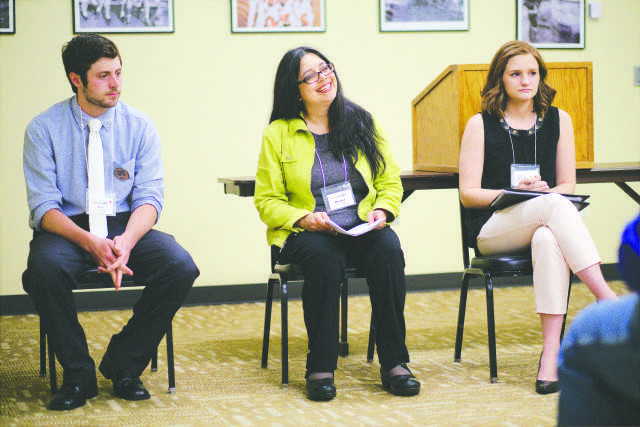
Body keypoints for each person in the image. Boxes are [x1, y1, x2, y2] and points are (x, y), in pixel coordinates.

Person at [22, 34, 199, 411]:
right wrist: (89, 241)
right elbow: (43, 206)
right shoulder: (43, 128)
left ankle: (124, 364)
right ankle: (77, 375)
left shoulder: (140, 126)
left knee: (180, 266)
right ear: (77, 80)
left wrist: (127, 243)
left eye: (118, 72)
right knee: (43, 270)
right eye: (103, 75)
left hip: (125, 223)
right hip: (67, 227)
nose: (116, 83)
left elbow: (150, 199)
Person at [254, 47, 420, 401]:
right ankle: (321, 364)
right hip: (308, 231)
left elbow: (390, 182)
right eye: (310, 75)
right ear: (294, 88)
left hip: (361, 226)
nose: (323, 77)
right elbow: (267, 201)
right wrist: (304, 217)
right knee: (324, 258)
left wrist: (384, 212)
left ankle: (395, 362)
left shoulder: (363, 122)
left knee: (389, 250)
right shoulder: (278, 134)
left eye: (325, 68)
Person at [458, 40, 617, 395]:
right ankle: (605, 296)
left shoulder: (560, 120)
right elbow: (468, 194)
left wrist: (542, 195)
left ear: (541, 78)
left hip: (542, 219)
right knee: (554, 207)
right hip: (493, 227)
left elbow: (567, 184)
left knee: (549, 236)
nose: (525, 80)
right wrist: (521, 195)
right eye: (515, 74)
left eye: (532, 73)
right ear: (500, 79)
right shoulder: (479, 124)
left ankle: (550, 355)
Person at [557, 214, 640, 426]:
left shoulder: (588, 336)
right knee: (549, 228)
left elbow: (632, 241)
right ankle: (605, 294)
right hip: (499, 224)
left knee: (549, 227)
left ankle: (605, 297)